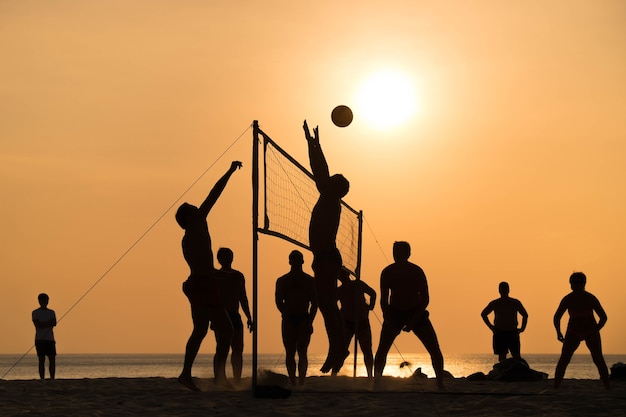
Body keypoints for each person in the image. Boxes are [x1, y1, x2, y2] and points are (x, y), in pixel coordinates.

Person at [177, 161, 242, 391]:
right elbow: (214, 194)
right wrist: (230, 171)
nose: (198, 208)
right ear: (189, 217)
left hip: (205, 283)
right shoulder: (194, 229)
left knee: (223, 330)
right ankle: (187, 374)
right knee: (205, 330)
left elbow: (204, 267)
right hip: (200, 285)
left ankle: (217, 377)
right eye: (194, 209)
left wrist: (220, 277)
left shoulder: (196, 230)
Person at [303, 120, 349, 374]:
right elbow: (321, 171)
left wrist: (314, 145)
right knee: (327, 305)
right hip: (326, 258)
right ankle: (338, 348)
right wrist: (315, 145)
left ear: (335, 187)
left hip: (327, 258)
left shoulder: (330, 198)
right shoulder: (330, 198)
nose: (325, 181)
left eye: (330, 181)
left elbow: (319, 169)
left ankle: (339, 348)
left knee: (328, 305)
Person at [374, 241, 445, 389]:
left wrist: (414, 320)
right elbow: (383, 300)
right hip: (394, 313)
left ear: (407, 254)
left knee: (434, 349)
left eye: (399, 252)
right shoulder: (387, 272)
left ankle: (440, 382)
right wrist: (388, 318)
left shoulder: (416, 271)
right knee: (382, 349)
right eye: (394, 252)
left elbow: (425, 299)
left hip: (416, 312)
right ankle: (377, 383)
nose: (396, 255)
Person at [553, 272, 609, 389]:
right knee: (564, 359)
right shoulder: (568, 299)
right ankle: (556, 386)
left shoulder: (590, 298)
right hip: (573, 331)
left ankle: (607, 386)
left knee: (598, 358)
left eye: (578, 282)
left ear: (584, 283)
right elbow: (557, 316)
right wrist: (558, 332)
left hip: (590, 330)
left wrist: (596, 330)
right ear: (570, 284)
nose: (576, 285)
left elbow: (603, 317)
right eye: (573, 282)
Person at [275, 250, 318, 385]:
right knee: (290, 351)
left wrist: (310, 321)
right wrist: (285, 313)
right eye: (293, 259)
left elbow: (315, 303)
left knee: (302, 351)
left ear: (302, 261)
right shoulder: (282, 280)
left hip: (304, 318)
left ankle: (302, 382)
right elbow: (278, 300)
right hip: (289, 318)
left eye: (298, 259)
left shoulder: (310, 281)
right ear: (289, 261)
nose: (295, 262)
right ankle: (293, 381)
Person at [215, 247, 253, 384]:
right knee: (222, 348)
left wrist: (249, 317)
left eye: (228, 256)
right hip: (220, 315)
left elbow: (243, 298)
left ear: (232, 258)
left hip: (234, 315)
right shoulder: (215, 275)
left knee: (238, 349)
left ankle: (237, 379)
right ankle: (220, 378)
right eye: (223, 256)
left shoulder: (238, 276)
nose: (226, 259)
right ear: (219, 259)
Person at [337, 268, 376, 377]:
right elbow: (331, 304)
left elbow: (373, 293)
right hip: (347, 322)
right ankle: (335, 373)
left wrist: (371, 306)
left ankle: (370, 375)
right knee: (342, 349)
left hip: (362, 321)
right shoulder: (340, 290)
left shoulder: (358, 284)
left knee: (367, 350)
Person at [480, 281, 529, 362]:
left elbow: (525, 315)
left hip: (512, 332)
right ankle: (504, 373)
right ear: (499, 290)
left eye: (504, 289)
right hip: (500, 333)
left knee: (516, 356)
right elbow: (483, 314)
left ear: (508, 290)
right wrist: (491, 327)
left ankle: (518, 373)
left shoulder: (514, 302)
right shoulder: (496, 303)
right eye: (502, 289)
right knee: (502, 357)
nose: (503, 291)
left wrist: (522, 328)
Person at [32, 293, 57, 380]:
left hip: (50, 339)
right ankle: (42, 378)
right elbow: (37, 324)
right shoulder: (35, 312)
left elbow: (54, 323)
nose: (45, 302)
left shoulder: (51, 312)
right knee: (41, 360)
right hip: (40, 339)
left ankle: (52, 378)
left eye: (46, 300)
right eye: (43, 300)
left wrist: (45, 324)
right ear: (39, 301)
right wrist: (47, 324)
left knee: (52, 360)